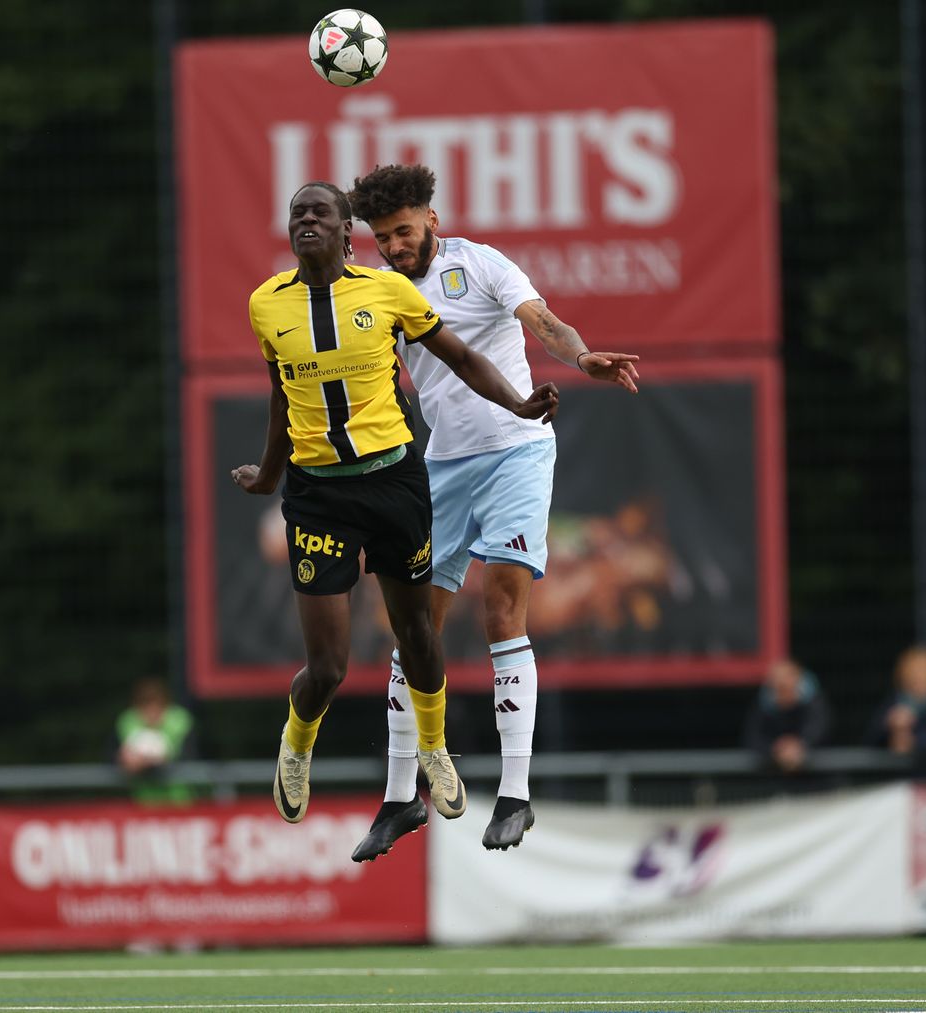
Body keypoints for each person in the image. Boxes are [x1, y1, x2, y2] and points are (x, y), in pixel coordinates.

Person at [230, 180, 559, 833]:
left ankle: (433, 753)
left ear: (345, 231)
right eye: (297, 214)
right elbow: (280, 394)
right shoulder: (266, 303)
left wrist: (520, 404)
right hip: (319, 494)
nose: (306, 223)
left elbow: (462, 356)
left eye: (319, 213)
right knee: (327, 666)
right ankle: (296, 747)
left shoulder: (386, 292)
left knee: (419, 635)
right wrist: (270, 476)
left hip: (395, 482)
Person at [343, 164, 641, 860]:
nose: (394, 246)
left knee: (503, 613)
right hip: (440, 467)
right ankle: (397, 800)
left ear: (432, 221)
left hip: (517, 452)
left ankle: (514, 794)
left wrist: (580, 354)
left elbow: (542, 320)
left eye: (404, 231)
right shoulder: (378, 294)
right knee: (414, 629)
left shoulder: (481, 266)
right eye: (382, 237)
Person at [742, 658, 831, 775]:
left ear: (797, 682)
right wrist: (776, 748)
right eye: (779, 687)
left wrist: (801, 744)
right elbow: (752, 736)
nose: (783, 692)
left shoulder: (815, 703)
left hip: (821, 778)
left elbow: (822, 728)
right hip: (776, 778)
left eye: (786, 686)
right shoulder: (763, 706)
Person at [116, 677, 195, 804]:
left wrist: (149, 761)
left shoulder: (180, 720)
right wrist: (124, 759)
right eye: (146, 705)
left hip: (178, 801)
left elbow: (189, 756)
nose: (151, 711)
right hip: (144, 801)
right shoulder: (128, 720)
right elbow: (118, 756)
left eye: (156, 704)